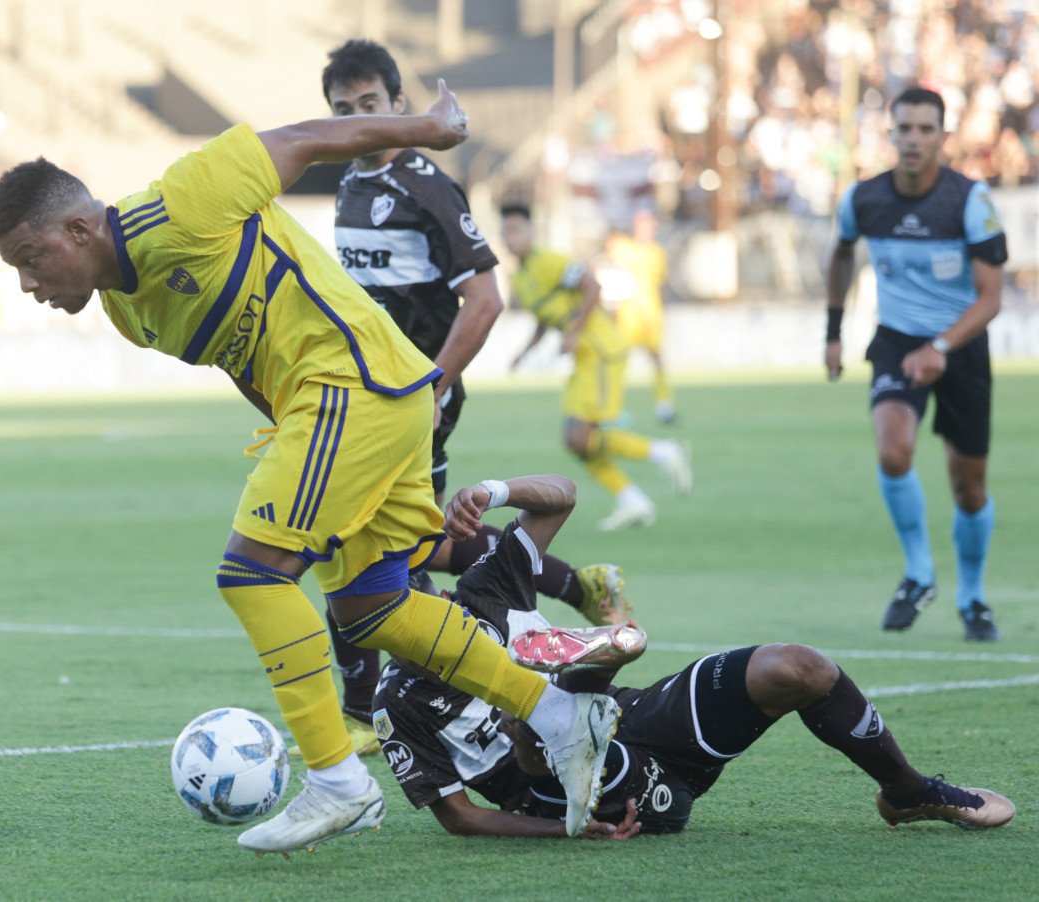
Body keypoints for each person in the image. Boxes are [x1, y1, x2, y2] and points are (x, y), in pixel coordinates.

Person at [0, 81, 617, 854]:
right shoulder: (129, 310)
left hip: (355, 389)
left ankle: (338, 780)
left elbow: (304, 138)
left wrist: (430, 126)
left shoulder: (180, 202)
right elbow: (243, 362)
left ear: (79, 229)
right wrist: (290, 437)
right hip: (360, 404)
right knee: (372, 608)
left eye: (30, 259)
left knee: (253, 574)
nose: (28, 284)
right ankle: (556, 714)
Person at [371, 474, 1016, 837]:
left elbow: (561, 495)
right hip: (579, 790)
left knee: (798, 667)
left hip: (641, 718)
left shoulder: (485, 588)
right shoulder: (398, 702)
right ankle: (579, 680)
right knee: (537, 742)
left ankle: (908, 791)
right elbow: (457, 815)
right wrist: (567, 832)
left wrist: (494, 489)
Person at [313, 39, 625, 754]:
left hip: (411, 398)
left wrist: (431, 387)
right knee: (414, 545)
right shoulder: (350, 184)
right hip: (370, 397)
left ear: (399, 104)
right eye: (343, 110)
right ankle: (575, 588)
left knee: (355, 544)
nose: (359, 119)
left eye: (371, 106)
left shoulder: (425, 185)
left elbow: (484, 299)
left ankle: (365, 713)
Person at [825, 87, 1008, 641]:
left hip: (961, 348)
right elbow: (839, 254)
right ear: (891, 133)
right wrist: (833, 331)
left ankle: (973, 599)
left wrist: (942, 348)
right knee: (893, 448)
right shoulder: (863, 199)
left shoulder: (970, 202)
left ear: (942, 138)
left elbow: (990, 298)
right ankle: (919, 574)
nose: (913, 139)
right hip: (896, 342)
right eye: (904, 128)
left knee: (968, 488)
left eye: (926, 129)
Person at [500, 204, 692, 531]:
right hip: (584, 358)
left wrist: (574, 332)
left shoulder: (549, 260)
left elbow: (592, 286)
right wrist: (524, 352)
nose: (511, 237)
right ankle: (634, 500)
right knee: (575, 440)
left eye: (517, 230)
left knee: (582, 437)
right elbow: (546, 318)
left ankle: (663, 452)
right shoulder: (521, 276)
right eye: (506, 232)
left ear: (532, 231)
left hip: (602, 350)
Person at [600, 207, 676, 423]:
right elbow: (608, 249)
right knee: (617, 361)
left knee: (657, 360)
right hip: (627, 315)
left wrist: (666, 310)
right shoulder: (623, 247)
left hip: (651, 315)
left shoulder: (657, 253)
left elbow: (661, 285)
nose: (643, 228)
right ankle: (612, 409)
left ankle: (664, 405)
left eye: (647, 224)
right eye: (639, 224)